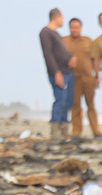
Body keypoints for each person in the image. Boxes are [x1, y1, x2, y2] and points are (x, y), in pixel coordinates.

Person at [39, 8, 76, 141]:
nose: (63, 21)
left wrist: (70, 58)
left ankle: (64, 130)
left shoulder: (57, 34)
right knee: (60, 101)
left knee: (67, 102)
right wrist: (56, 72)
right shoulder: (46, 32)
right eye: (62, 18)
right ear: (56, 17)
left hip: (68, 71)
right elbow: (48, 55)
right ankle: (55, 131)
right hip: (59, 73)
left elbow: (61, 52)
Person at [62, 18, 100, 137]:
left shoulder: (88, 41)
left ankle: (96, 130)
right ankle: (77, 131)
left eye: (77, 27)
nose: (75, 30)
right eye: (72, 27)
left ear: (81, 28)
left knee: (91, 104)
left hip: (88, 77)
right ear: (69, 28)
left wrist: (97, 76)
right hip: (73, 78)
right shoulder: (64, 41)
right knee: (76, 105)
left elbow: (95, 59)